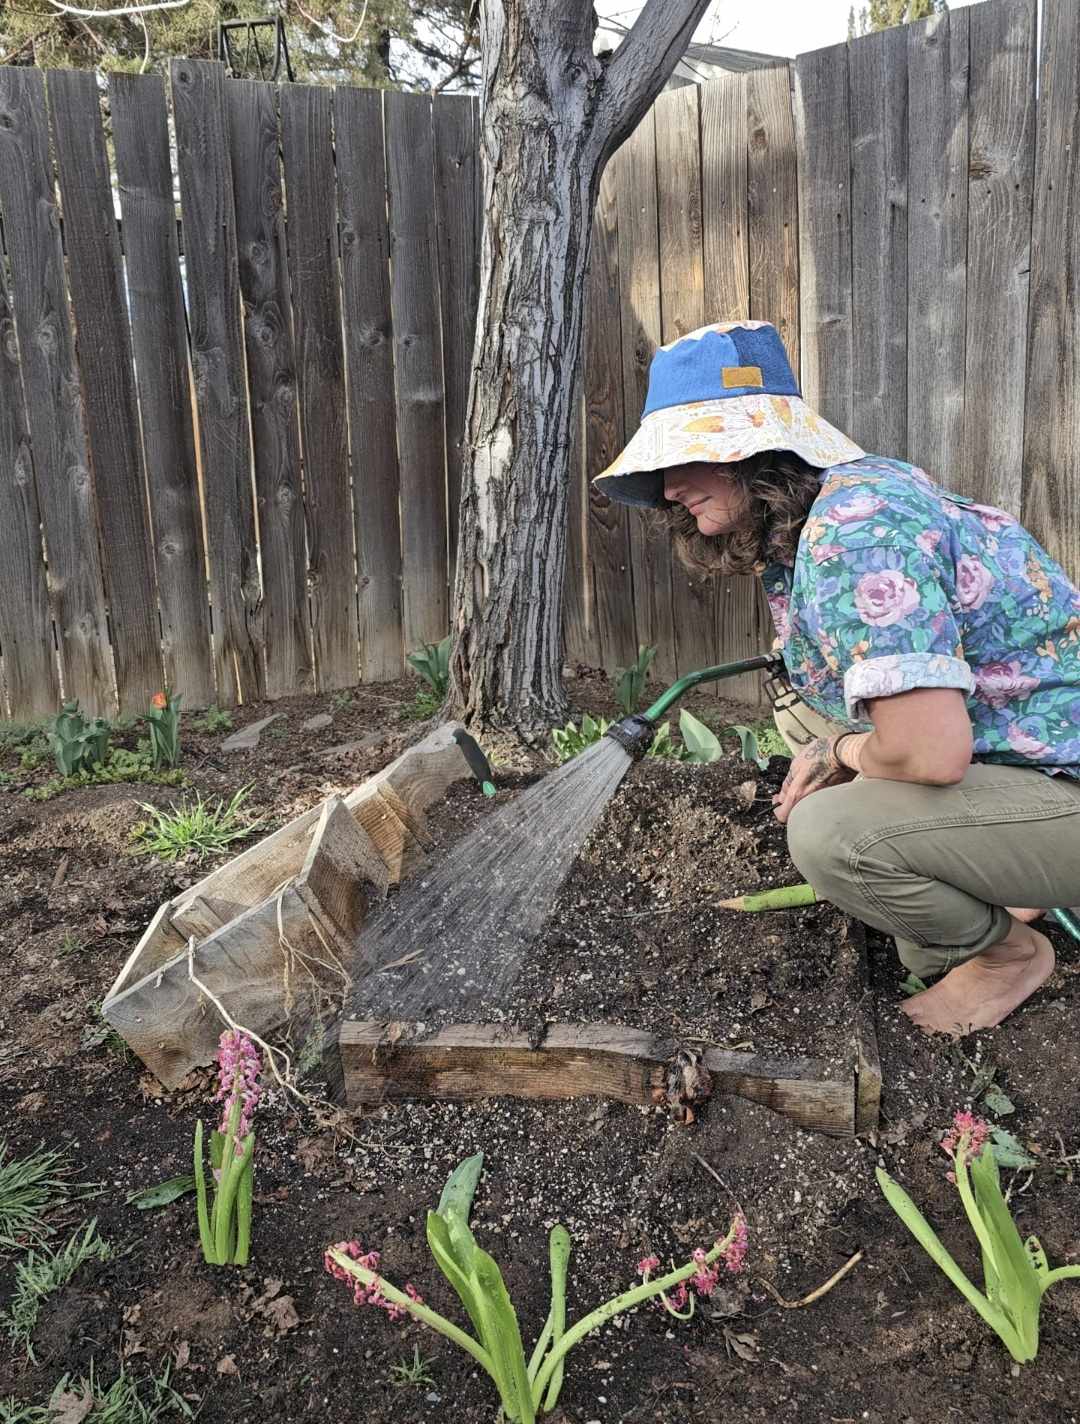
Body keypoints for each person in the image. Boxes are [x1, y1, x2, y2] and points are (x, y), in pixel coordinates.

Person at [593, 319, 1080, 1037]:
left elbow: (931, 754)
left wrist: (842, 755)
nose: (668, 489)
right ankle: (1006, 896)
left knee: (832, 835)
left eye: (685, 456)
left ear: (751, 448)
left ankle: (1011, 957)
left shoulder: (855, 529)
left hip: (1062, 784)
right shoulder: (825, 515)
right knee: (913, 929)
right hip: (1027, 759)